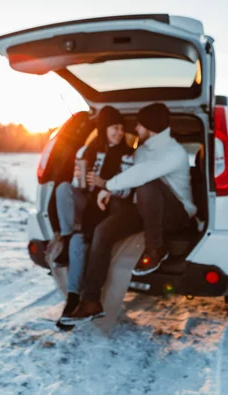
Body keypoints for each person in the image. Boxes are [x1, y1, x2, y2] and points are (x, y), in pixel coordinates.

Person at [61, 103, 196, 325]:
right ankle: (91, 301)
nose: (137, 129)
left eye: (140, 125)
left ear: (151, 126)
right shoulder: (141, 151)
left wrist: (108, 186)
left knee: (147, 185)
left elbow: (143, 174)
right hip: (146, 209)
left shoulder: (174, 152)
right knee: (103, 231)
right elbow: (130, 176)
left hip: (176, 214)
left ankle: (156, 248)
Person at [46, 106, 134, 328]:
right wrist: (81, 179)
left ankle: (73, 299)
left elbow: (128, 191)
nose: (119, 132)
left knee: (80, 241)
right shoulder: (89, 150)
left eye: (121, 128)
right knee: (63, 188)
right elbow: (78, 185)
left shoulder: (127, 155)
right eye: (114, 127)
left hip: (108, 206)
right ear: (104, 129)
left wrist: (105, 184)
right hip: (86, 202)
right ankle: (65, 237)